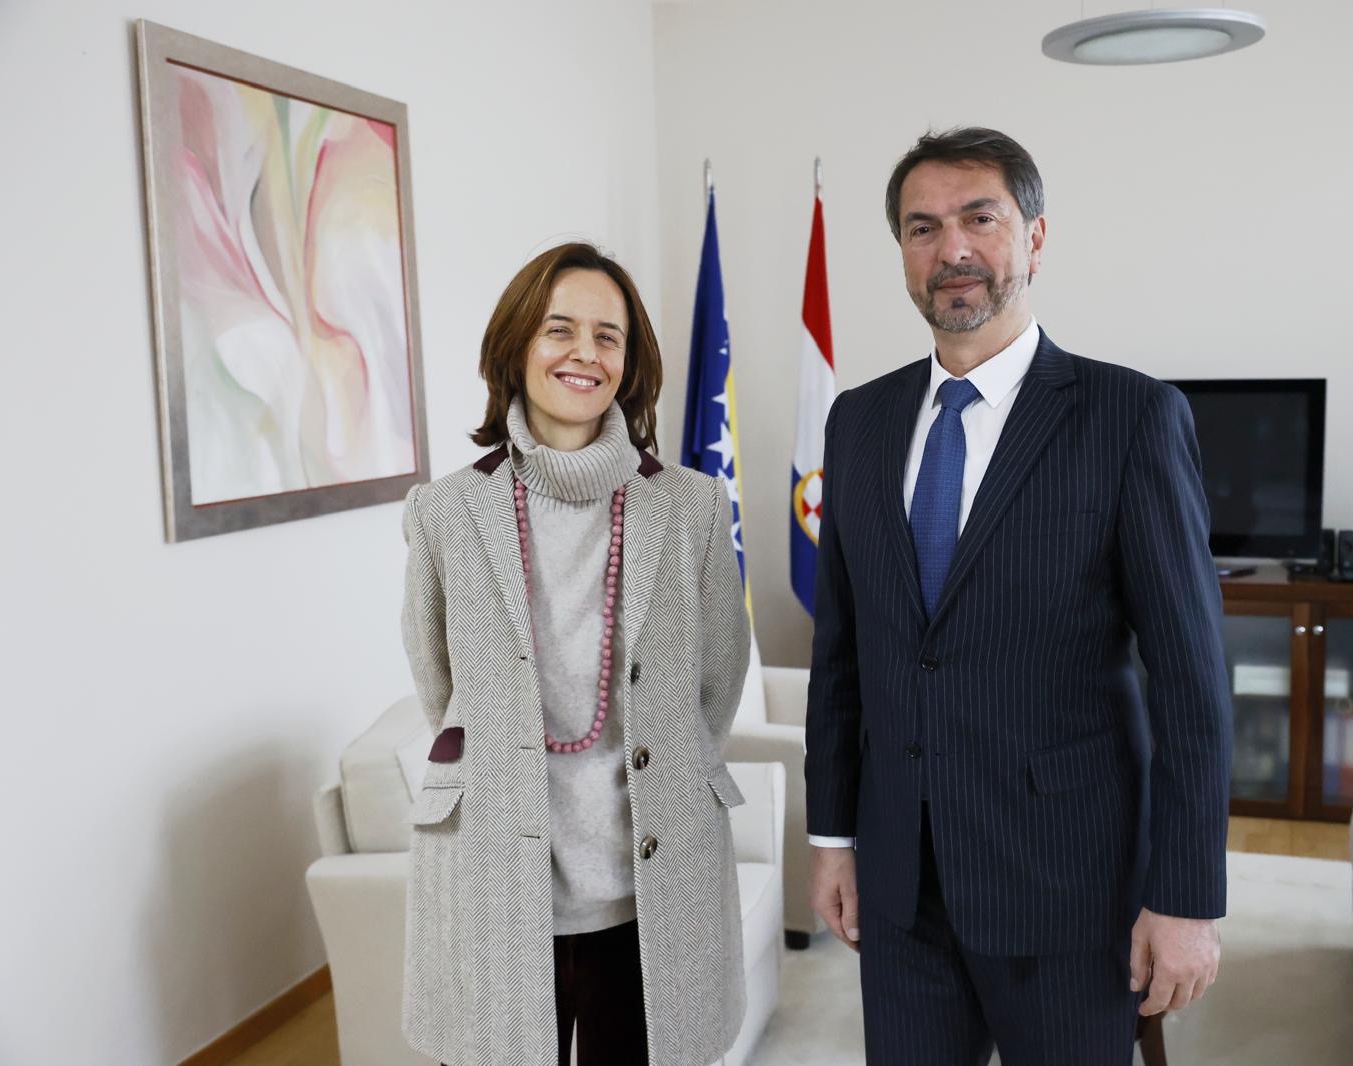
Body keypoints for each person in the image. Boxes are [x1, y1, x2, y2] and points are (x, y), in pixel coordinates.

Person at [805, 128, 1233, 1064]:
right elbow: (842, 654)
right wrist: (833, 837)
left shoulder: (1131, 417)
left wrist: (1187, 896)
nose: (951, 248)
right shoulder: (858, 421)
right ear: (902, 253)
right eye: (923, 228)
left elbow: (1191, 685)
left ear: (1035, 237)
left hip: (1070, 885)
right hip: (902, 885)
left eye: (980, 219)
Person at [398, 242, 751, 1066]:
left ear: (629, 362)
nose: (584, 353)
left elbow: (716, 683)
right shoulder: (445, 512)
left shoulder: (694, 506)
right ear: (516, 346)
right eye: (559, 330)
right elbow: (442, 689)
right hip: (496, 881)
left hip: (650, 889)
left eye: (607, 336)